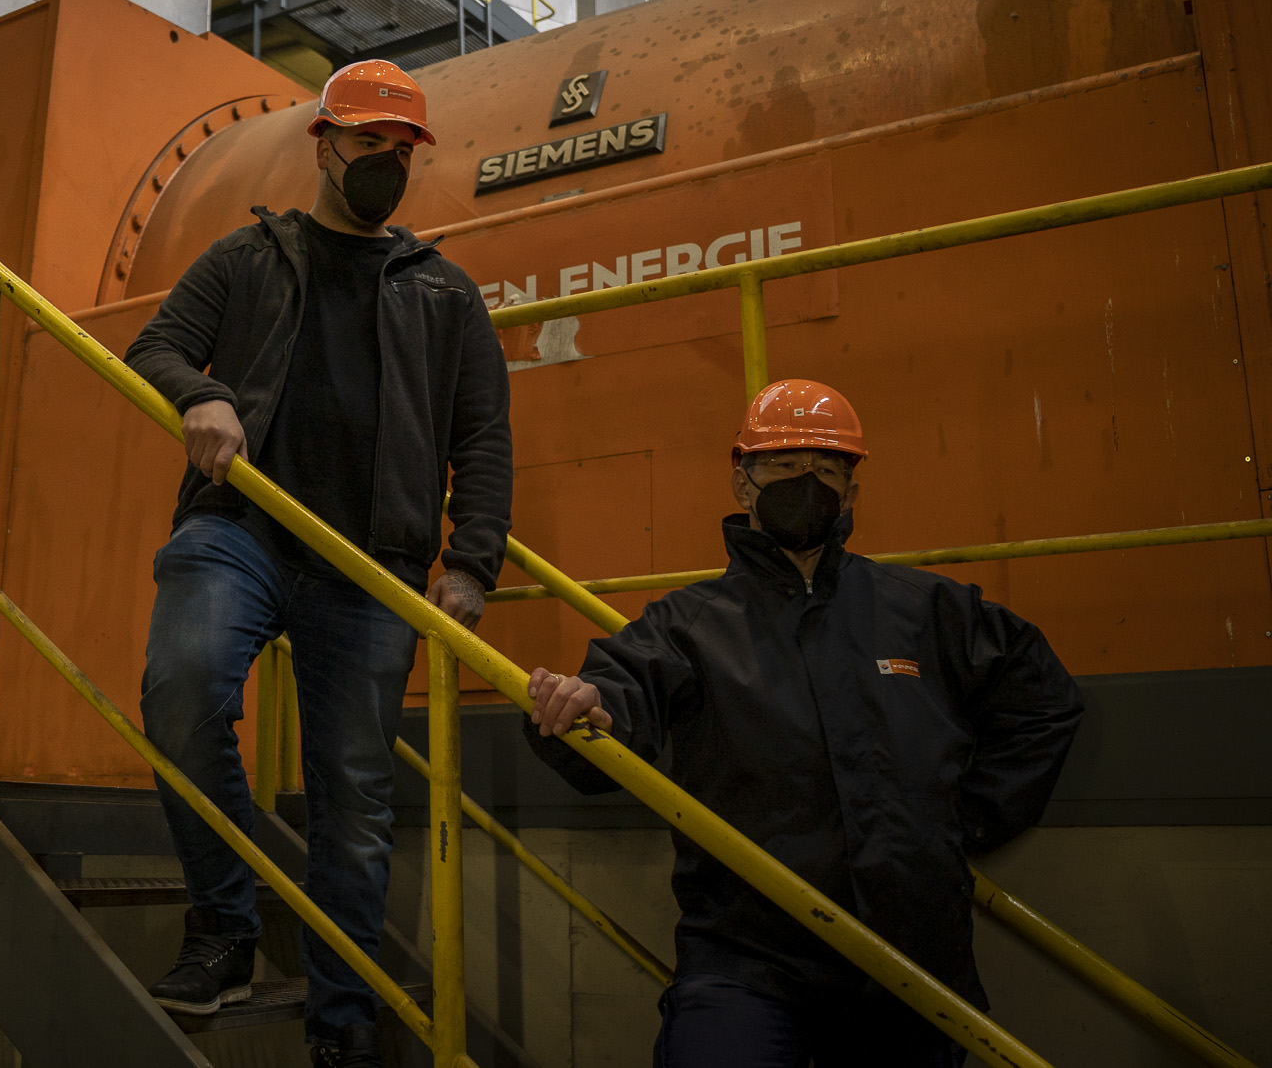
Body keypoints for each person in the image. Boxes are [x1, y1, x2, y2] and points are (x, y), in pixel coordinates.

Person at [125, 59, 513, 1068]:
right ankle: (225, 929)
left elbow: (482, 437)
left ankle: (341, 1023)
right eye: (366, 141)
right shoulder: (246, 257)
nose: (384, 159)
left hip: (371, 565)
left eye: (400, 147)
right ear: (325, 144)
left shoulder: (444, 292)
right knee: (182, 688)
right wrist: (201, 395)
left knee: (354, 801)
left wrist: (471, 563)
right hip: (240, 528)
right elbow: (156, 346)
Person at [523, 379, 1083, 1068]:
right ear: (743, 483)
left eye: (826, 469)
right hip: (747, 962)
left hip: (909, 964)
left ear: (850, 493)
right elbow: (617, 699)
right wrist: (585, 710)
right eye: (784, 465)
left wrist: (963, 823)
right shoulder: (687, 626)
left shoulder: (927, 610)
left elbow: (1043, 700)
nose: (806, 483)